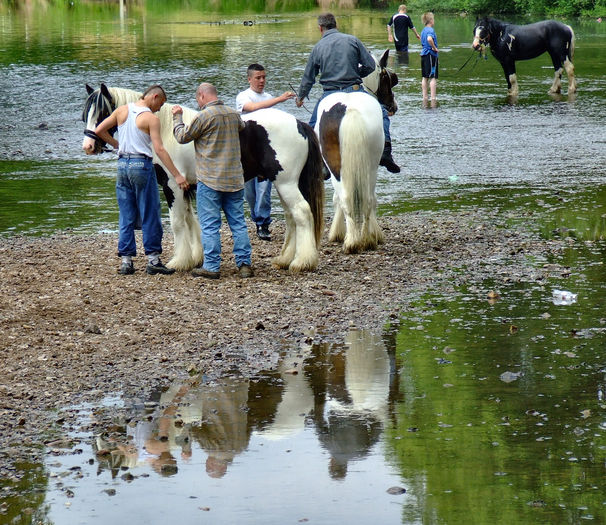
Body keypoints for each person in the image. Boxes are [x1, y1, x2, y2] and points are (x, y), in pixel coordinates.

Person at [94, 84, 189, 276]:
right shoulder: (151, 119)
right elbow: (160, 150)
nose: (160, 108)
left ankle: (126, 262)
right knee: (150, 212)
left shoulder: (122, 111)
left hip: (122, 166)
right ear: (154, 97)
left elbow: (99, 130)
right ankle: (153, 259)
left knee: (126, 214)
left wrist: (118, 145)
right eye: (160, 104)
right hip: (141, 165)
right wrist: (177, 174)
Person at [296, 12, 400, 173]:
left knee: (312, 126)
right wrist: (356, 74)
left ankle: (319, 164)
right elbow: (371, 66)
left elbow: (308, 77)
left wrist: (300, 97)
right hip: (355, 89)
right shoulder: (353, 40)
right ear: (336, 25)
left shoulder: (318, 48)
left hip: (329, 93)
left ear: (320, 28)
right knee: (382, 113)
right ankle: (386, 152)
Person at [172, 82, 253, 280]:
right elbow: (242, 127)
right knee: (238, 223)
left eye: (197, 99)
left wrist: (177, 117)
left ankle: (212, 265)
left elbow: (182, 137)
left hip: (210, 179)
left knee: (210, 225)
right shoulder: (234, 114)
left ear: (201, 96)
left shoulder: (203, 116)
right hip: (234, 178)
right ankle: (244, 265)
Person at [236, 64, 296, 242]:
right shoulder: (243, 96)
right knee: (249, 192)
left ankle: (263, 223)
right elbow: (252, 108)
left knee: (264, 189)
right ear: (249, 79)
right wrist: (279, 99)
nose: (262, 81)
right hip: (246, 152)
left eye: (263, 77)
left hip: (264, 152)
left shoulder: (268, 98)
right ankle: (256, 220)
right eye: (258, 78)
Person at [420, 12, 439, 105]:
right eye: (433, 19)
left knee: (424, 77)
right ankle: (433, 97)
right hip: (430, 55)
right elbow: (429, 39)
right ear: (431, 20)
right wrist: (435, 48)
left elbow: (422, 40)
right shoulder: (430, 30)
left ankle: (425, 97)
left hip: (423, 54)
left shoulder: (423, 30)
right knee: (433, 77)